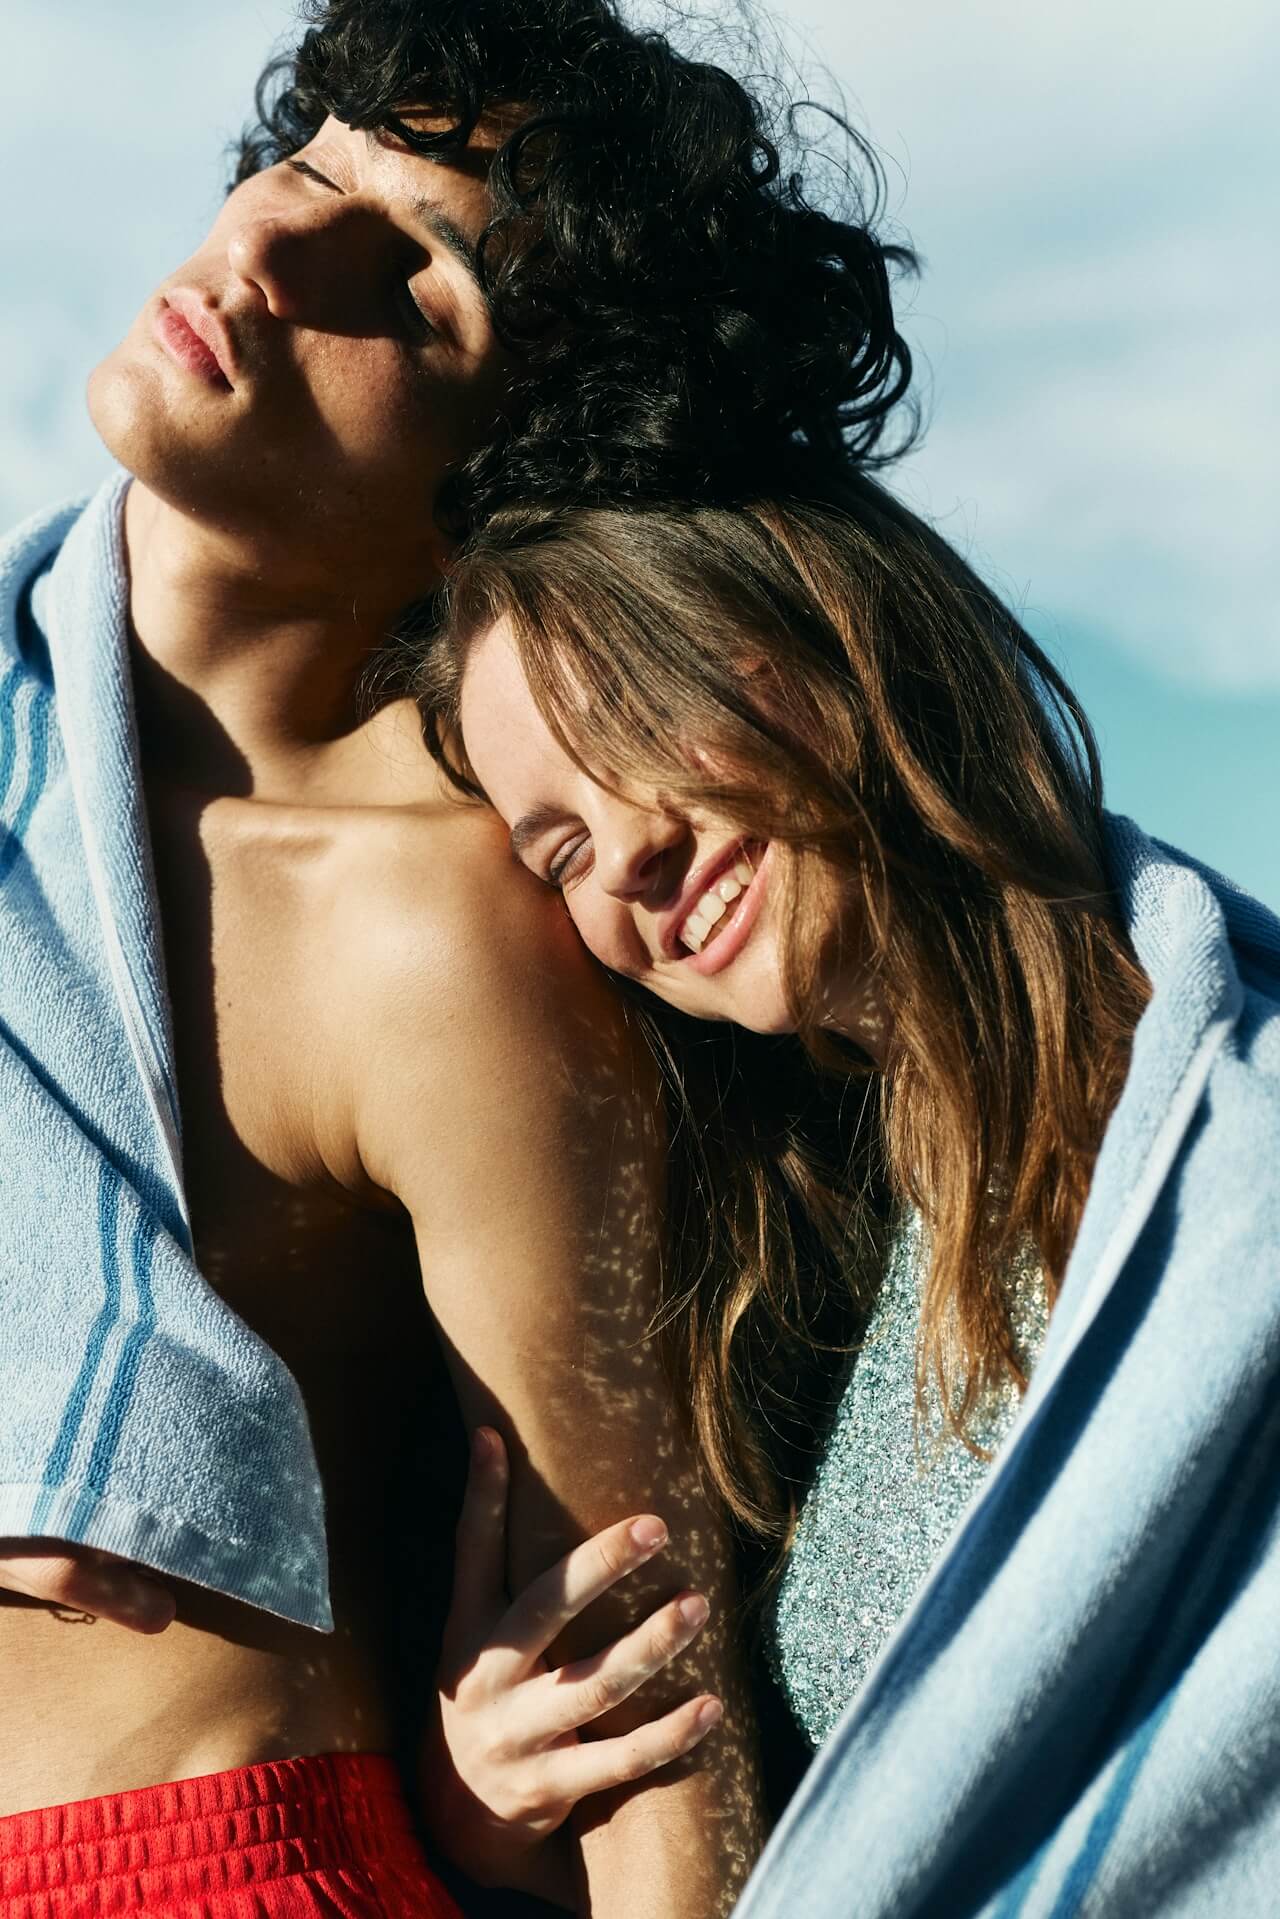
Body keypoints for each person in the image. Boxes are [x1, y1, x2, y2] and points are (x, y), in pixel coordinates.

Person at [0, 2, 919, 1913]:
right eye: (314, 169)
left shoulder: (430, 929)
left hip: (171, 1867)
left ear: (504, 483)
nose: (270, 249)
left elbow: (655, 1716)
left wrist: (490, 1795)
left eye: (417, 286)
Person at [420, 470, 1280, 1914]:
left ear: (833, 625)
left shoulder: (1233, 1173)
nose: (626, 851)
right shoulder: (781, 1290)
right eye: (558, 849)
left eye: (639, 718)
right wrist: (495, 1818)